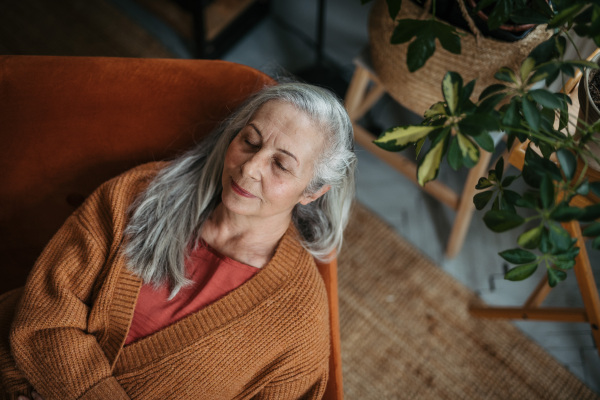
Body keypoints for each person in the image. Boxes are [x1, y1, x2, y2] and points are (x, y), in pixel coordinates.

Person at [0, 82, 356, 399]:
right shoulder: (140, 194)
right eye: (249, 141)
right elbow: (43, 314)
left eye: (280, 164)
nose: (249, 168)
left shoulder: (299, 326)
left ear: (312, 191)